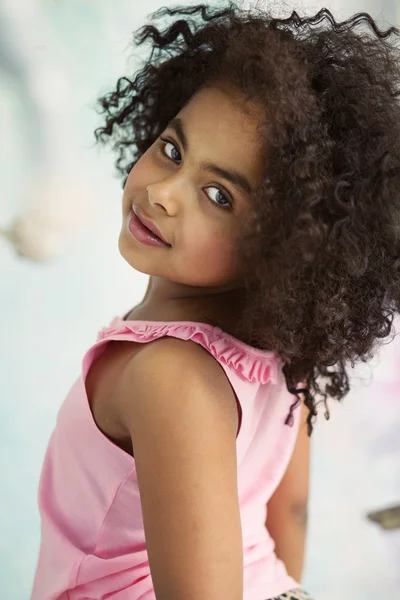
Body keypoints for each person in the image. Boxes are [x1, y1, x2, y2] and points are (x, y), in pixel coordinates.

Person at [30, 2, 400, 599]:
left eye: (218, 196)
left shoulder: (171, 379)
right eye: (173, 150)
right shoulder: (279, 355)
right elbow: (289, 520)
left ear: (280, 244)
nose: (164, 193)